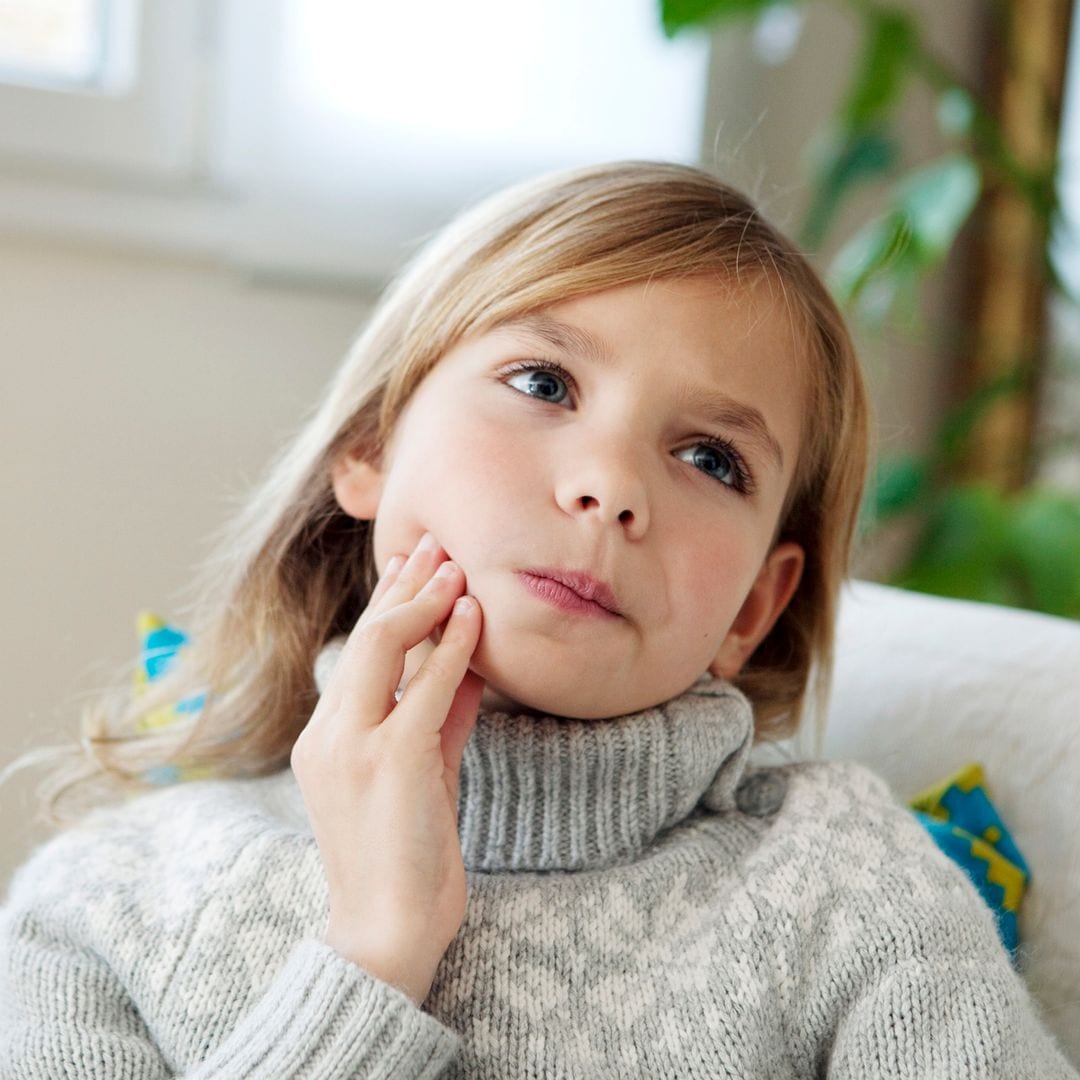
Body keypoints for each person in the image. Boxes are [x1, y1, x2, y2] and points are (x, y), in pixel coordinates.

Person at [1, 161, 1075, 1079]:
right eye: (543, 381)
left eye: (711, 459)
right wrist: (373, 951)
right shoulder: (103, 901)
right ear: (371, 445)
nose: (610, 486)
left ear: (754, 604)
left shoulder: (851, 883)